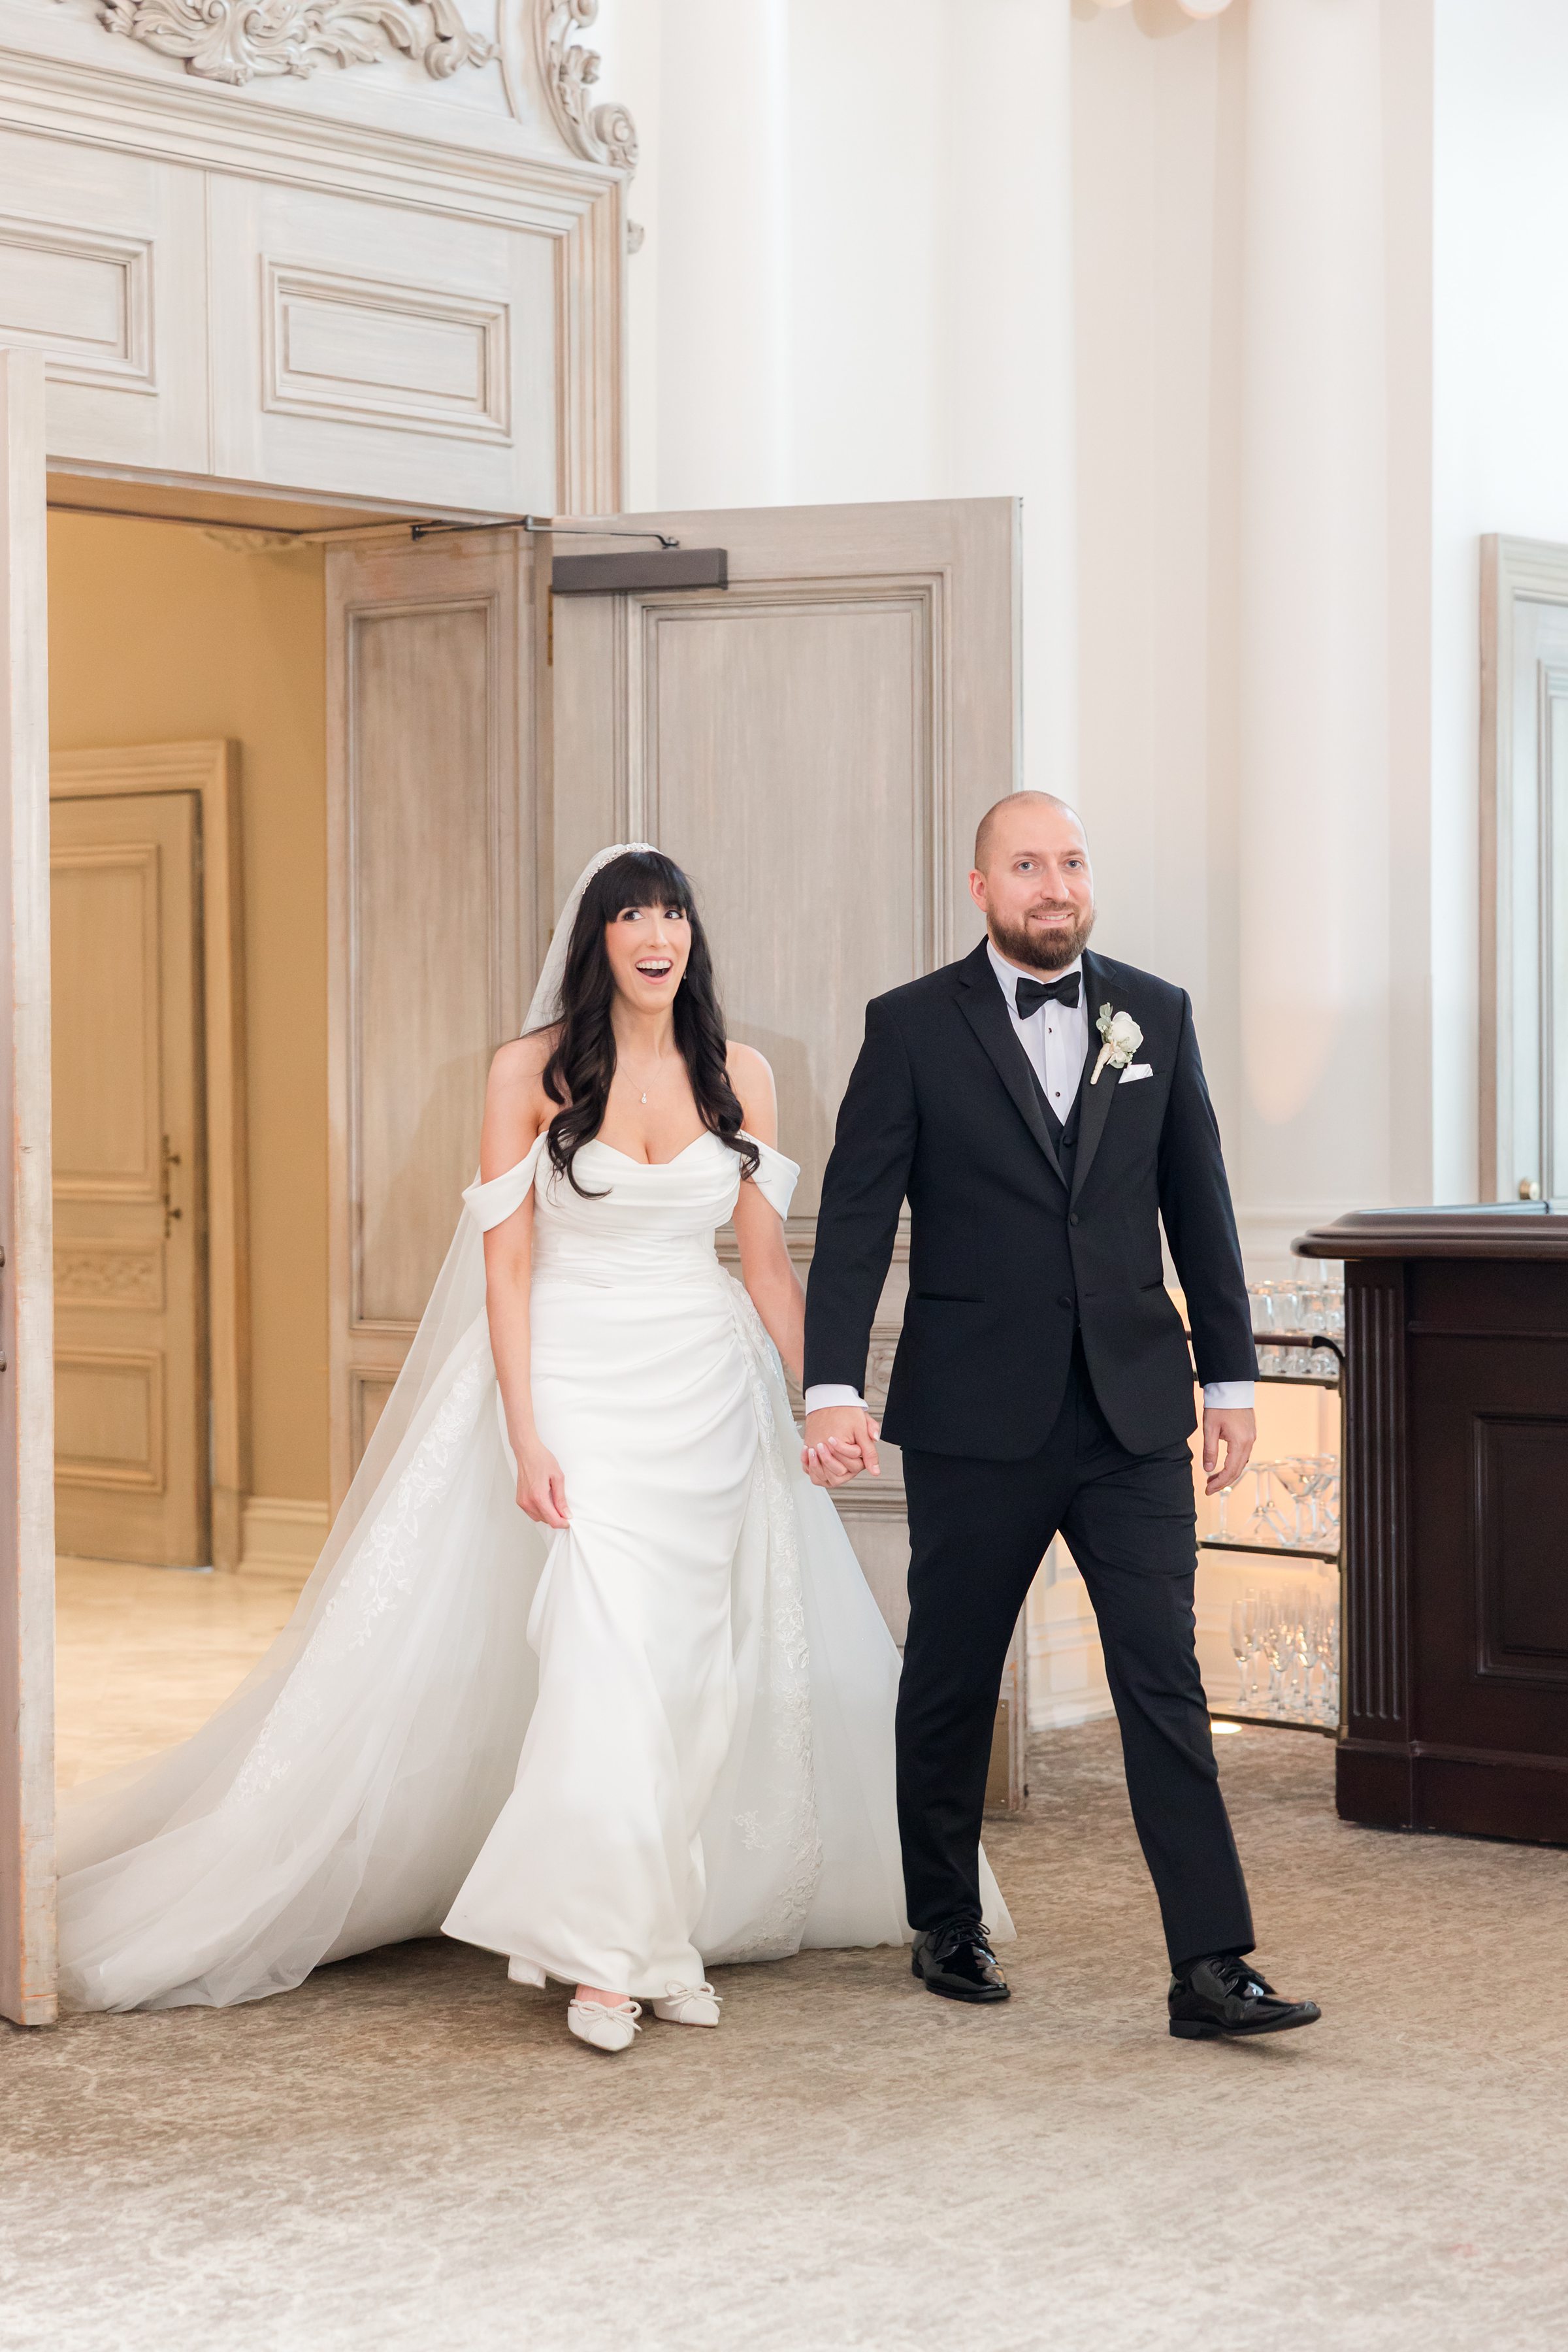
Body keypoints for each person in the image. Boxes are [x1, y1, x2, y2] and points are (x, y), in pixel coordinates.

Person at [59, 846, 1009, 2050]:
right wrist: (525, 1429)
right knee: (601, 1658)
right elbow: (506, 1267)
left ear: (691, 935)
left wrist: (821, 1395)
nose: (655, 933)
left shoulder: (744, 1077)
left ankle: (659, 1925)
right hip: (578, 1378)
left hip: (709, 1392)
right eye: (631, 915)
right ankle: (608, 1960)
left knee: (696, 1675)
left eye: (672, 913)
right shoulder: (533, 1071)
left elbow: (767, 1264)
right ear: (598, 938)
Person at [801, 793, 1321, 2041]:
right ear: (980, 886)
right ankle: (945, 1918)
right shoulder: (912, 1028)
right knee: (951, 1674)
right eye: (1027, 865)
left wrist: (1232, 1383)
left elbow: (1199, 1203)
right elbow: (861, 1217)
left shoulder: (1157, 1011)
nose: (1055, 885)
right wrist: (830, 1385)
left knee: (1164, 1680)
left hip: (1134, 1410)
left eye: (1072, 863)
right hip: (978, 1414)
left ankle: (1211, 1959)